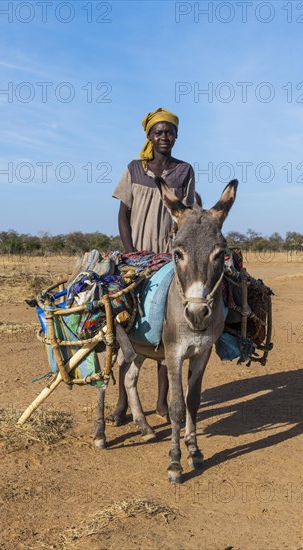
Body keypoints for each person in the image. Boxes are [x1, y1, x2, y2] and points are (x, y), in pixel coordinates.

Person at [108, 107, 196, 425]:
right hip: (136, 259)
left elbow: (186, 215)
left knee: (167, 328)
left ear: (176, 136)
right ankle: (121, 401)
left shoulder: (184, 171)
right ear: (149, 135)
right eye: (158, 132)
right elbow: (122, 215)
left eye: (169, 132)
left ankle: (161, 401)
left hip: (168, 259)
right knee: (127, 327)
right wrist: (131, 254)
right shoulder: (134, 169)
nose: (164, 137)